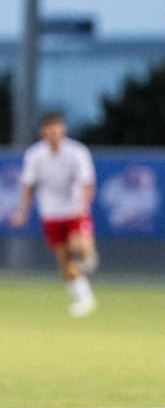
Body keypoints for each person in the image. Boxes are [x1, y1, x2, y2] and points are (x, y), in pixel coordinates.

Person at [8, 112, 99, 317]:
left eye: (56, 131)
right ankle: (84, 299)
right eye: (48, 131)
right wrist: (23, 211)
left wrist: (82, 205)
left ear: (62, 131)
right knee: (64, 262)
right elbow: (28, 185)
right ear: (42, 133)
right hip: (50, 213)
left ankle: (87, 253)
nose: (53, 135)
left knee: (79, 248)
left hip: (74, 210)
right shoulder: (34, 155)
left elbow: (87, 183)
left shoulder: (77, 152)